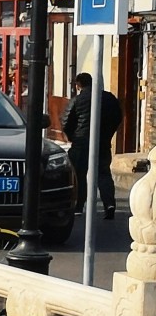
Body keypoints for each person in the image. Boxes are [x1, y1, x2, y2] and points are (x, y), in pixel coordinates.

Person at [62, 71, 124, 219]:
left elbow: (66, 121)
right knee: (103, 173)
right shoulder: (108, 98)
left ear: (78, 85)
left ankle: (79, 205)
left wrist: (72, 137)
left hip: (81, 143)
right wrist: (108, 135)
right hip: (102, 142)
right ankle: (109, 204)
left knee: (79, 174)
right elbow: (118, 117)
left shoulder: (77, 100)